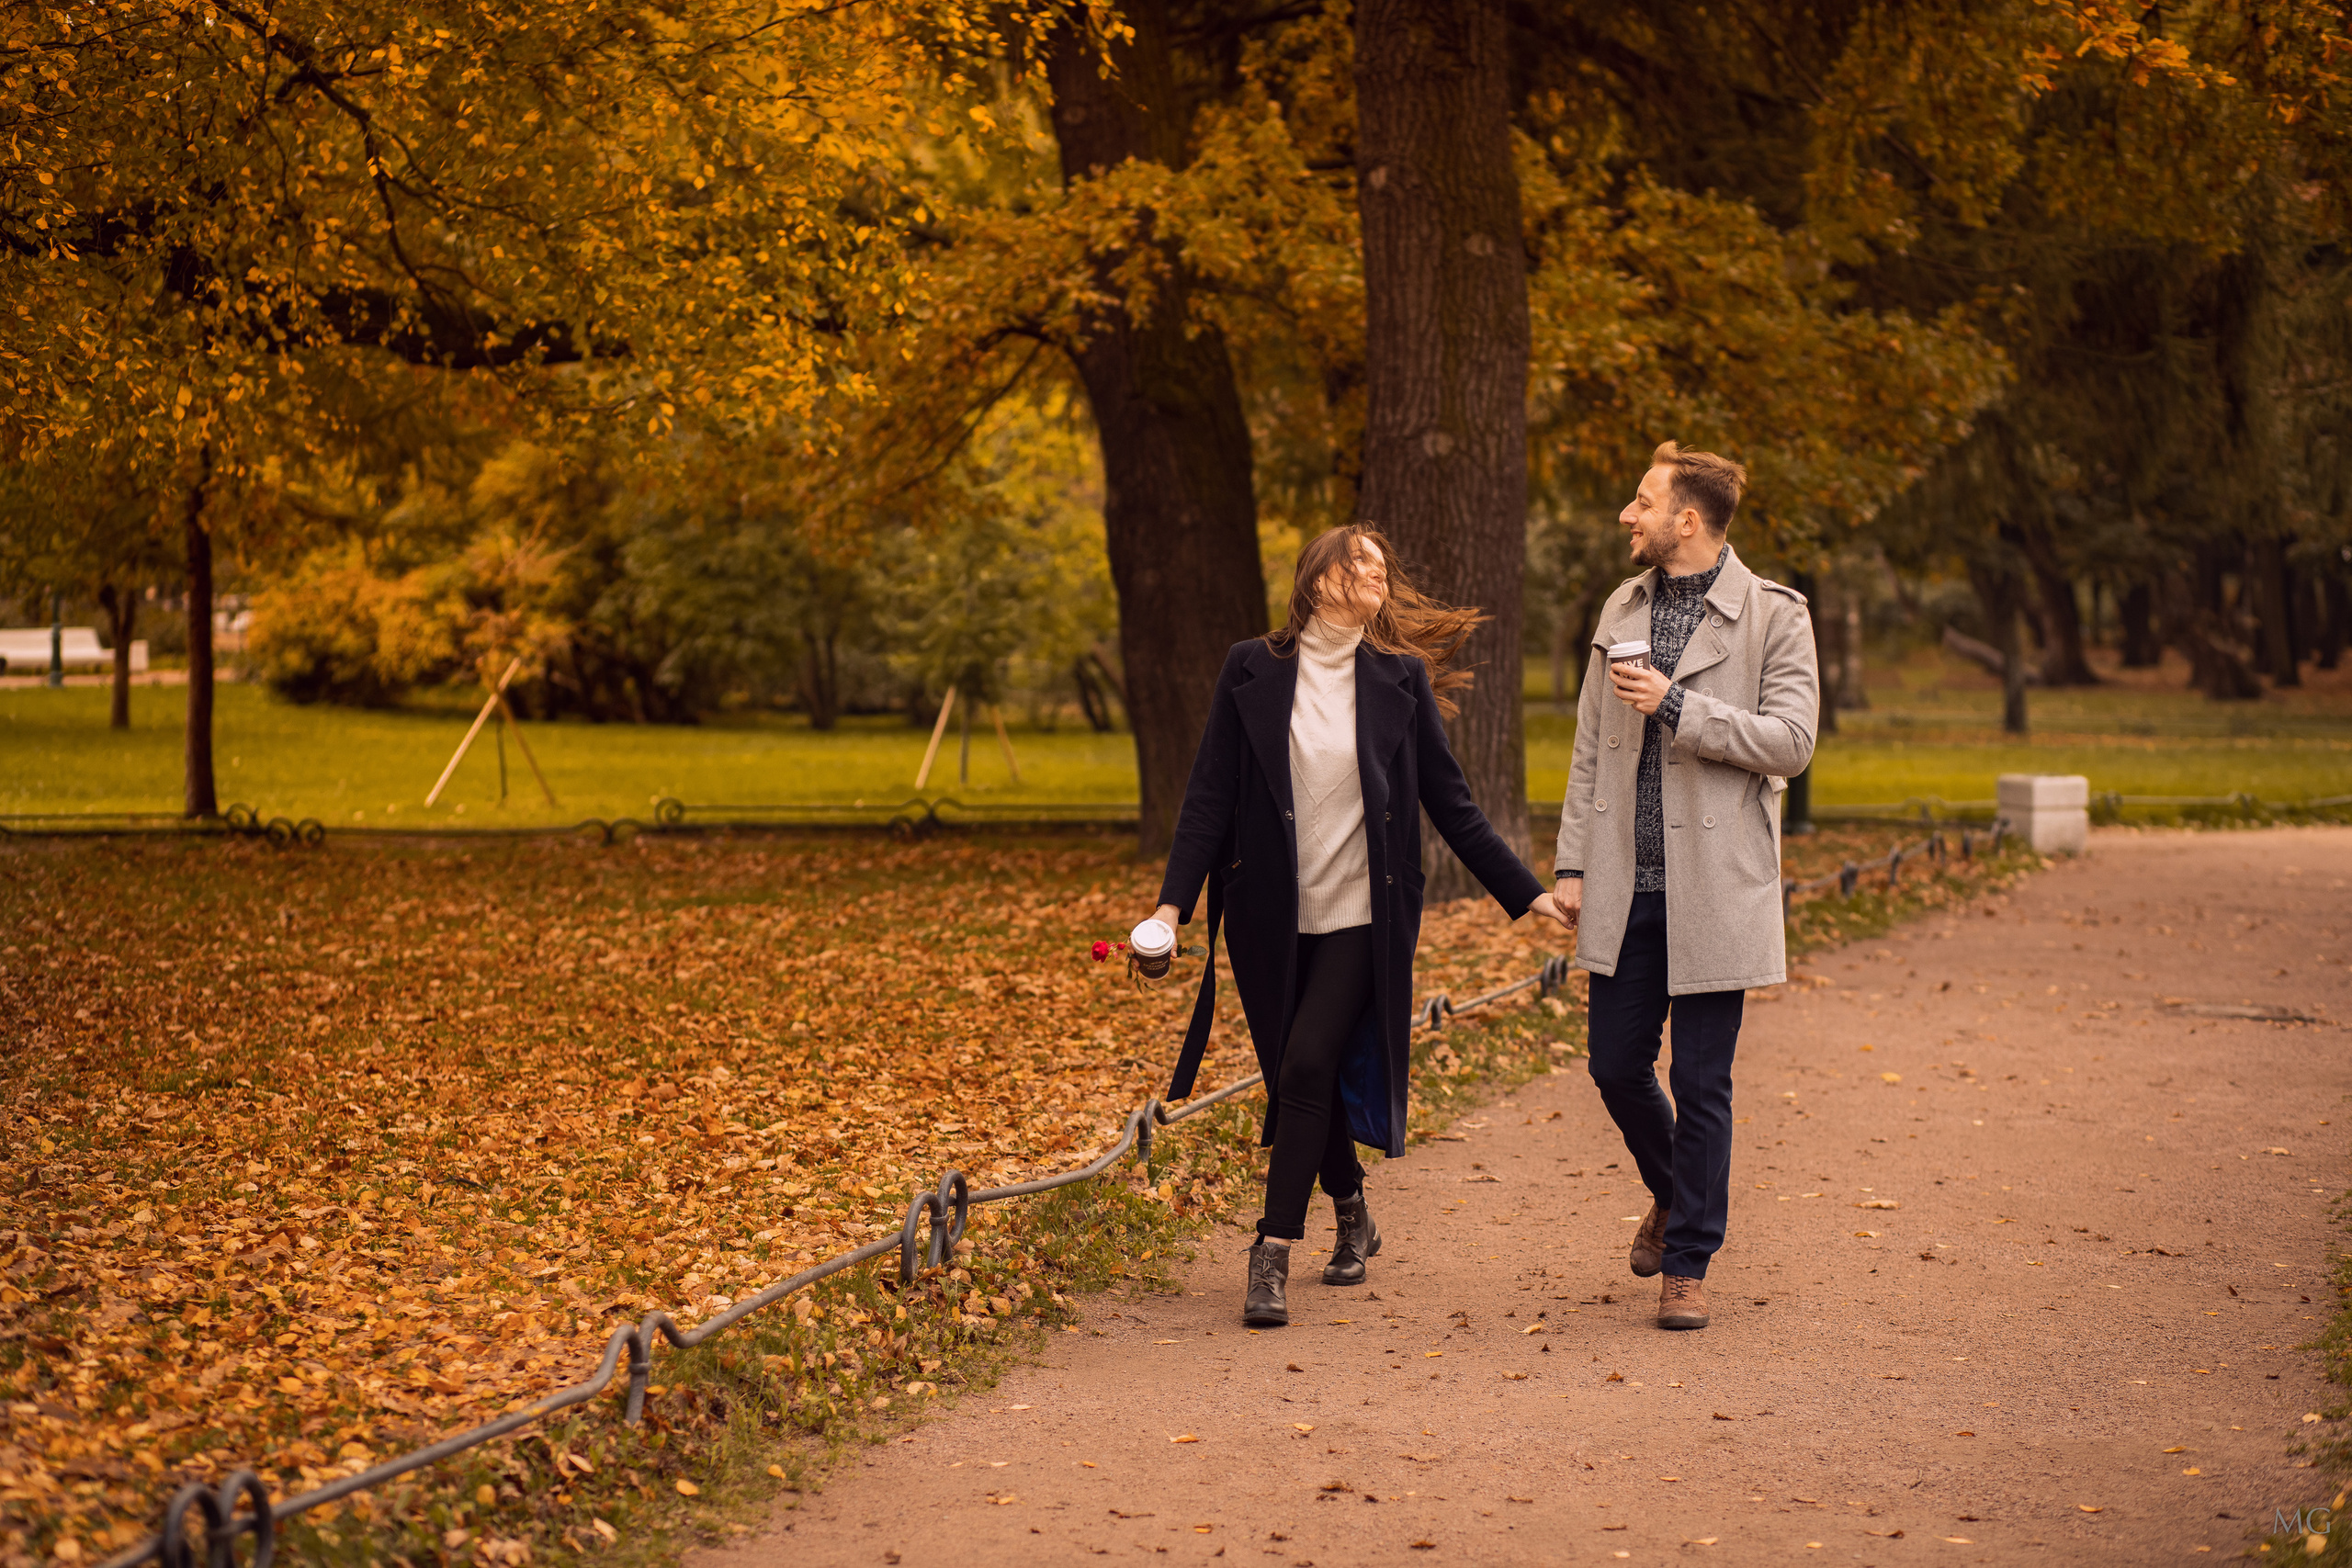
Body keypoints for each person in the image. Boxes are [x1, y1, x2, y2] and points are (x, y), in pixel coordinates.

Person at [1149, 525, 1575, 1326]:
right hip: (1268, 917)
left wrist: (1529, 895)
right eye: (1359, 560)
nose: (1376, 571)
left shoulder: (1399, 678)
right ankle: (1352, 1209)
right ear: (1317, 578)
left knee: (1309, 1062)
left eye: (1382, 564)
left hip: (1361, 914)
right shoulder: (1252, 667)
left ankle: (1271, 1251)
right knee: (1294, 1074)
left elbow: (1450, 803)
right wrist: (1171, 907)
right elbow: (1210, 793)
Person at [1554, 442, 1819, 1331]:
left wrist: (1676, 704)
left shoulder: (1774, 616)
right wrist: (1571, 865)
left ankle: (1688, 1263)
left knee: (1702, 1081)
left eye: (1641, 500)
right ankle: (1674, 1193)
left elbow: (1791, 742)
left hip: (1717, 885)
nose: (1627, 515)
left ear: (1687, 520)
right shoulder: (1619, 606)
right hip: (1627, 884)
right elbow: (1590, 749)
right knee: (1614, 1066)